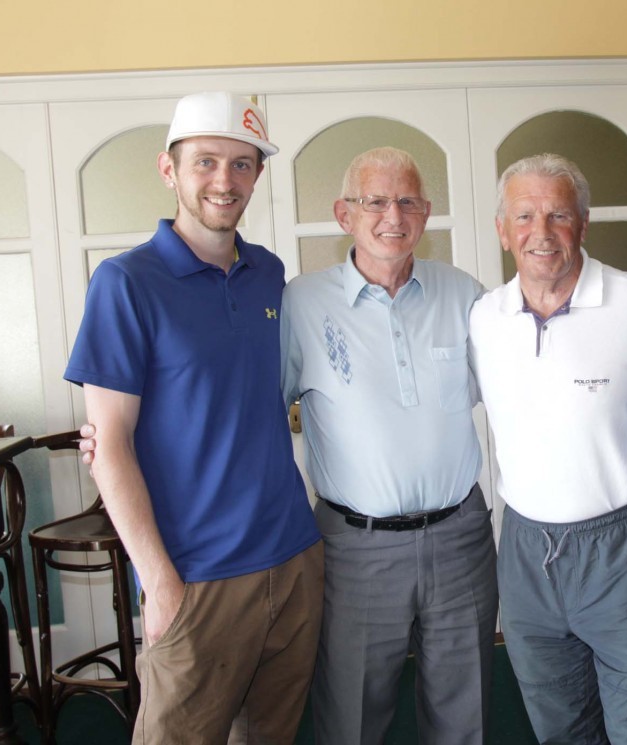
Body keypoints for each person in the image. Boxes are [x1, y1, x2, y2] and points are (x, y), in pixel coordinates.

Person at [64, 91, 323, 744]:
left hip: (291, 559)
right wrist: (160, 583)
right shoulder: (125, 284)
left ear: (257, 176)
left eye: (242, 165)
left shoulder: (268, 274)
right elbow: (110, 445)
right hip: (197, 577)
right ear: (168, 169)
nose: (224, 180)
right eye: (206, 161)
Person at [280, 147, 498, 745]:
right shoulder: (302, 303)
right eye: (375, 201)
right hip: (356, 547)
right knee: (351, 712)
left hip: (460, 537)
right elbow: (260, 414)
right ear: (344, 213)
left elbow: (516, 394)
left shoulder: (466, 293)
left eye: (407, 201)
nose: (392, 216)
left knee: (467, 708)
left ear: (426, 213)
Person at [468, 153, 627, 744]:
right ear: (502, 230)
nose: (540, 234)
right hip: (525, 555)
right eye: (523, 216)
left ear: (583, 225)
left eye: (558, 215)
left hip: (625, 554)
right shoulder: (485, 319)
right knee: (560, 728)